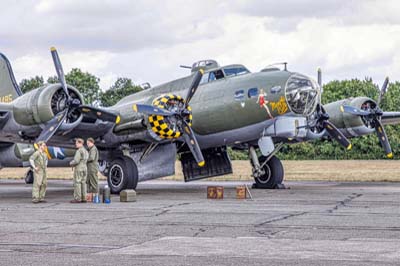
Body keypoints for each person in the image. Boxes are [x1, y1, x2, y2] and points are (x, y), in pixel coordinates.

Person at [69, 138, 89, 203]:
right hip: (85, 168)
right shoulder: (86, 151)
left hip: (79, 168)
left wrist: (71, 163)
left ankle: (78, 198)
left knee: (77, 183)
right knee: (83, 183)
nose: (76, 144)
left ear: (80, 143)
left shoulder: (79, 151)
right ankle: (84, 198)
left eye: (77, 143)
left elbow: (76, 161)